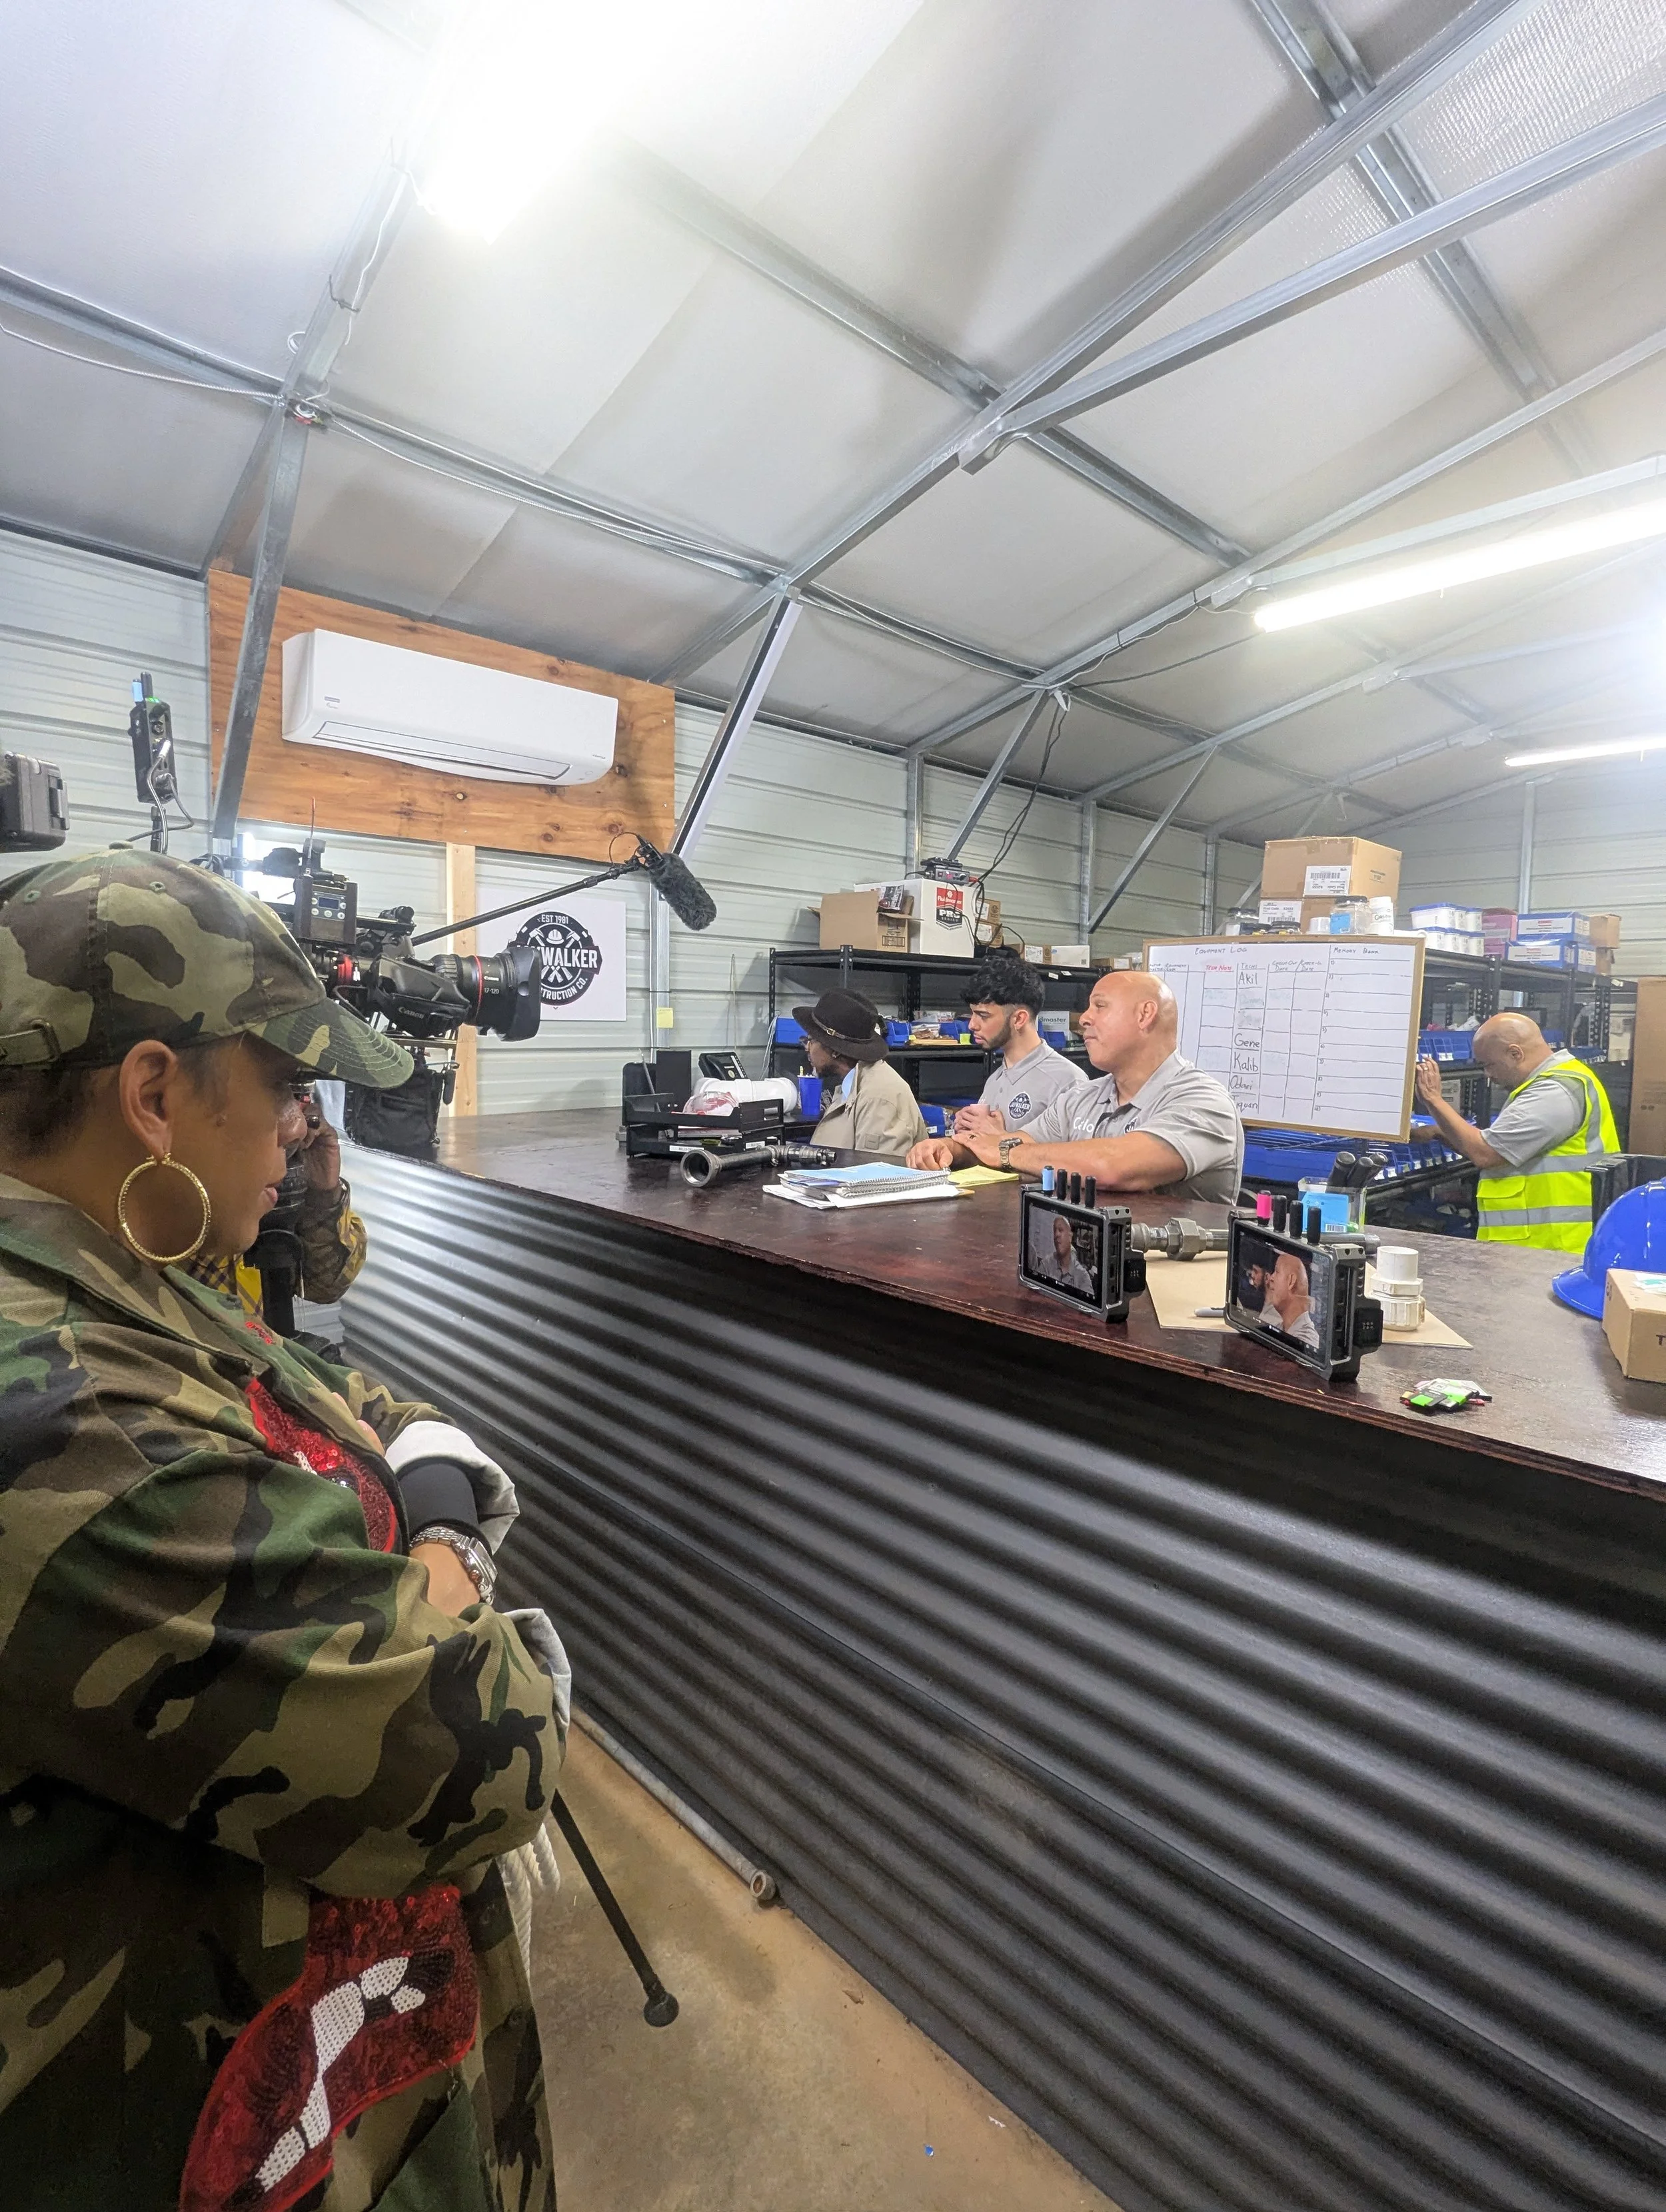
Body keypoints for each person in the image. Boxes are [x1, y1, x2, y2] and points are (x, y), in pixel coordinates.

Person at [0, 850, 566, 2212]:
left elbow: (328, 1385)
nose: (304, 1128)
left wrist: (407, 1510)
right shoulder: (72, 1428)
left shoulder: (111, 1274)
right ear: (152, 1094)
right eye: (281, 1086)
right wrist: (452, 1552)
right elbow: (484, 1744)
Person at [908, 969, 1244, 1203]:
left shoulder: (1202, 1102)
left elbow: (1115, 1167)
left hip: (1168, 1290)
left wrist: (1005, 1150)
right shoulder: (1082, 1098)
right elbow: (1016, 1142)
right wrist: (954, 1150)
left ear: (1145, 1015)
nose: (1084, 1018)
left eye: (1099, 1006)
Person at [1413, 1011, 1619, 1251]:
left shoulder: (1555, 1091)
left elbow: (1486, 1154)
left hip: (1553, 1247)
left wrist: (1433, 1099)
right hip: (1535, 1245)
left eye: (1489, 1064)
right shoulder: (1551, 1083)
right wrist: (1438, 1133)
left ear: (1515, 1054)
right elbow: (1501, 1147)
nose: (1487, 1074)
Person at [188, 1082, 367, 1318]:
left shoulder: (278, 1175)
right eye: (272, 1088)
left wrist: (323, 1197)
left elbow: (325, 1287)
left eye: (296, 1097)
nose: (299, 1128)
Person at [951, 947, 1086, 1137]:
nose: (972, 1025)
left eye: (983, 1015)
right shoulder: (995, 1079)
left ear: (1019, 1019)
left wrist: (1000, 1140)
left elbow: (1077, 1158)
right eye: (972, 1014)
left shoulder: (1067, 1081)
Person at [798, 987, 928, 1158]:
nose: (807, 1048)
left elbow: (874, 1177)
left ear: (835, 1050)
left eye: (811, 1040)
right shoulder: (852, 1085)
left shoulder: (879, 1098)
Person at [1242, 1248, 1321, 1351]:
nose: (1271, 1278)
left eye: (1277, 1271)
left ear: (1291, 1282)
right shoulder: (1281, 1328)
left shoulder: (1307, 1340)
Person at [1036, 1209, 1096, 1295]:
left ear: (1070, 1236)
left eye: (1061, 1230)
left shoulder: (1083, 1276)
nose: (1057, 1235)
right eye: (1055, 1231)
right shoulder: (1046, 1264)